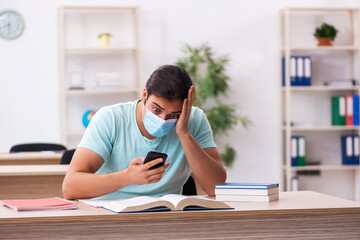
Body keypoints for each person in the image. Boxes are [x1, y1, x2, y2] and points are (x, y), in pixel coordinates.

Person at [62, 65, 226, 199]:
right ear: (145, 94)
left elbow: (214, 188)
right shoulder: (110, 118)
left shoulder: (194, 119)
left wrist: (184, 134)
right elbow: (70, 187)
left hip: (166, 219)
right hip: (108, 217)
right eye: (156, 109)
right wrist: (126, 178)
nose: (163, 119)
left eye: (173, 115)